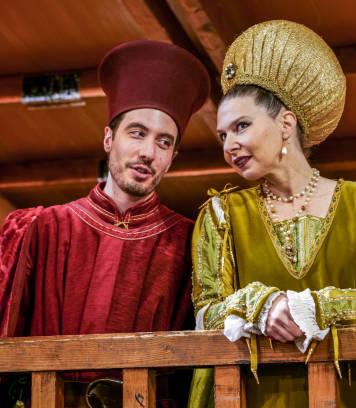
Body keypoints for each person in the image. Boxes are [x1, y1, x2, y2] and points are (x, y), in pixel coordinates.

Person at [189, 20, 356, 408]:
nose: (230, 145)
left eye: (241, 126)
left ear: (286, 123)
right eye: (223, 135)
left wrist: (315, 309)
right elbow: (206, 312)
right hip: (254, 396)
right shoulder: (221, 215)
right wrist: (261, 305)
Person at [0, 40, 210, 407]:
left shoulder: (190, 241)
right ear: (108, 138)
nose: (148, 152)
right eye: (137, 133)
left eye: (164, 142)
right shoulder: (41, 228)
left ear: (172, 158)